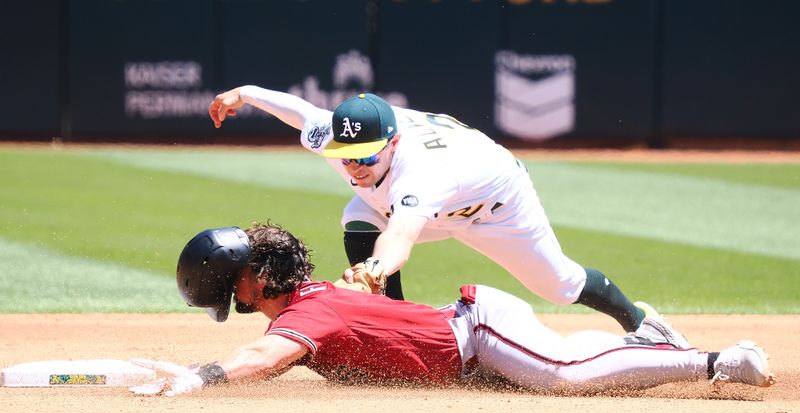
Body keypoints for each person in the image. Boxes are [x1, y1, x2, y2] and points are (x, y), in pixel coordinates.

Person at [207, 87, 686, 343]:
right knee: (356, 215)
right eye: (346, 155)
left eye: (366, 156)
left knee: (558, 286)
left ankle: (644, 324)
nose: (353, 164)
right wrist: (245, 94)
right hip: (418, 205)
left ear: (393, 143)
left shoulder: (422, 172)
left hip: (496, 205)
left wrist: (374, 268)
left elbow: (401, 237)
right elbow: (300, 111)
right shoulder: (337, 140)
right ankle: (390, 332)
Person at [129, 224, 774, 397]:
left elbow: (267, 357)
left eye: (231, 287)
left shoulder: (308, 311)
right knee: (564, 364)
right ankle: (644, 343)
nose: (233, 301)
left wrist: (204, 376)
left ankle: (714, 362)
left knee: (564, 378)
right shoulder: (314, 300)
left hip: (475, 333)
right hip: (473, 337)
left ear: (254, 280)